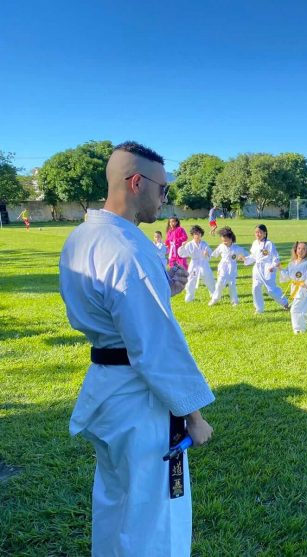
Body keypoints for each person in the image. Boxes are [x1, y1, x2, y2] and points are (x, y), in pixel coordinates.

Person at [58, 141, 214, 556]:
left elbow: (112, 311)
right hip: (139, 399)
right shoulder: (126, 250)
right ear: (136, 182)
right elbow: (156, 346)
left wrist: (163, 288)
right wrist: (193, 416)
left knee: (115, 502)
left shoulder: (83, 238)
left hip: (107, 389)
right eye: (163, 189)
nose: (165, 199)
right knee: (156, 518)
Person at [243, 224, 289, 313]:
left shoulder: (269, 243)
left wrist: (273, 266)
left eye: (260, 232)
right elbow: (253, 256)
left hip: (267, 268)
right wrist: (245, 259)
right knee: (255, 288)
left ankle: (285, 303)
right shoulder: (254, 243)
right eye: (256, 232)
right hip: (257, 268)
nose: (258, 234)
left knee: (271, 290)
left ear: (265, 233)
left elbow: (275, 257)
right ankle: (259, 308)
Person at [278, 241, 307, 334]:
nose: (301, 251)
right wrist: (280, 269)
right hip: (294, 288)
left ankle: (299, 329)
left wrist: (306, 284)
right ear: (295, 250)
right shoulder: (292, 263)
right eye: (299, 248)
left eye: (304, 249)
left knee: (295, 309)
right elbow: (288, 276)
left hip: (302, 289)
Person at [209, 226, 247, 306]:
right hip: (223, 267)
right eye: (223, 240)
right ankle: (215, 299)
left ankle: (234, 301)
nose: (224, 242)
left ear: (231, 239)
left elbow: (246, 255)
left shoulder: (237, 248)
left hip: (232, 267)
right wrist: (206, 254)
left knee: (232, 284)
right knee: (220, 283)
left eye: (226, 240)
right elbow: (213, 254)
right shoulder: (221, 246)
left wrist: (243, 258)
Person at [178, 225, 216, 303]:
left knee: (209, 279)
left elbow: (210, 253)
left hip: (204, 264)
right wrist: (182, 247)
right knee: (191, 281)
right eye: (195, 234)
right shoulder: (189, 244)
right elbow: (182, 254)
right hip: (194, 265)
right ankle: (189, 297)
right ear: (192, 235)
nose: (197, 235)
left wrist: (207, 254)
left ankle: (214, 295)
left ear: (201, 234)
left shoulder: (204, 243)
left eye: (199, 234)